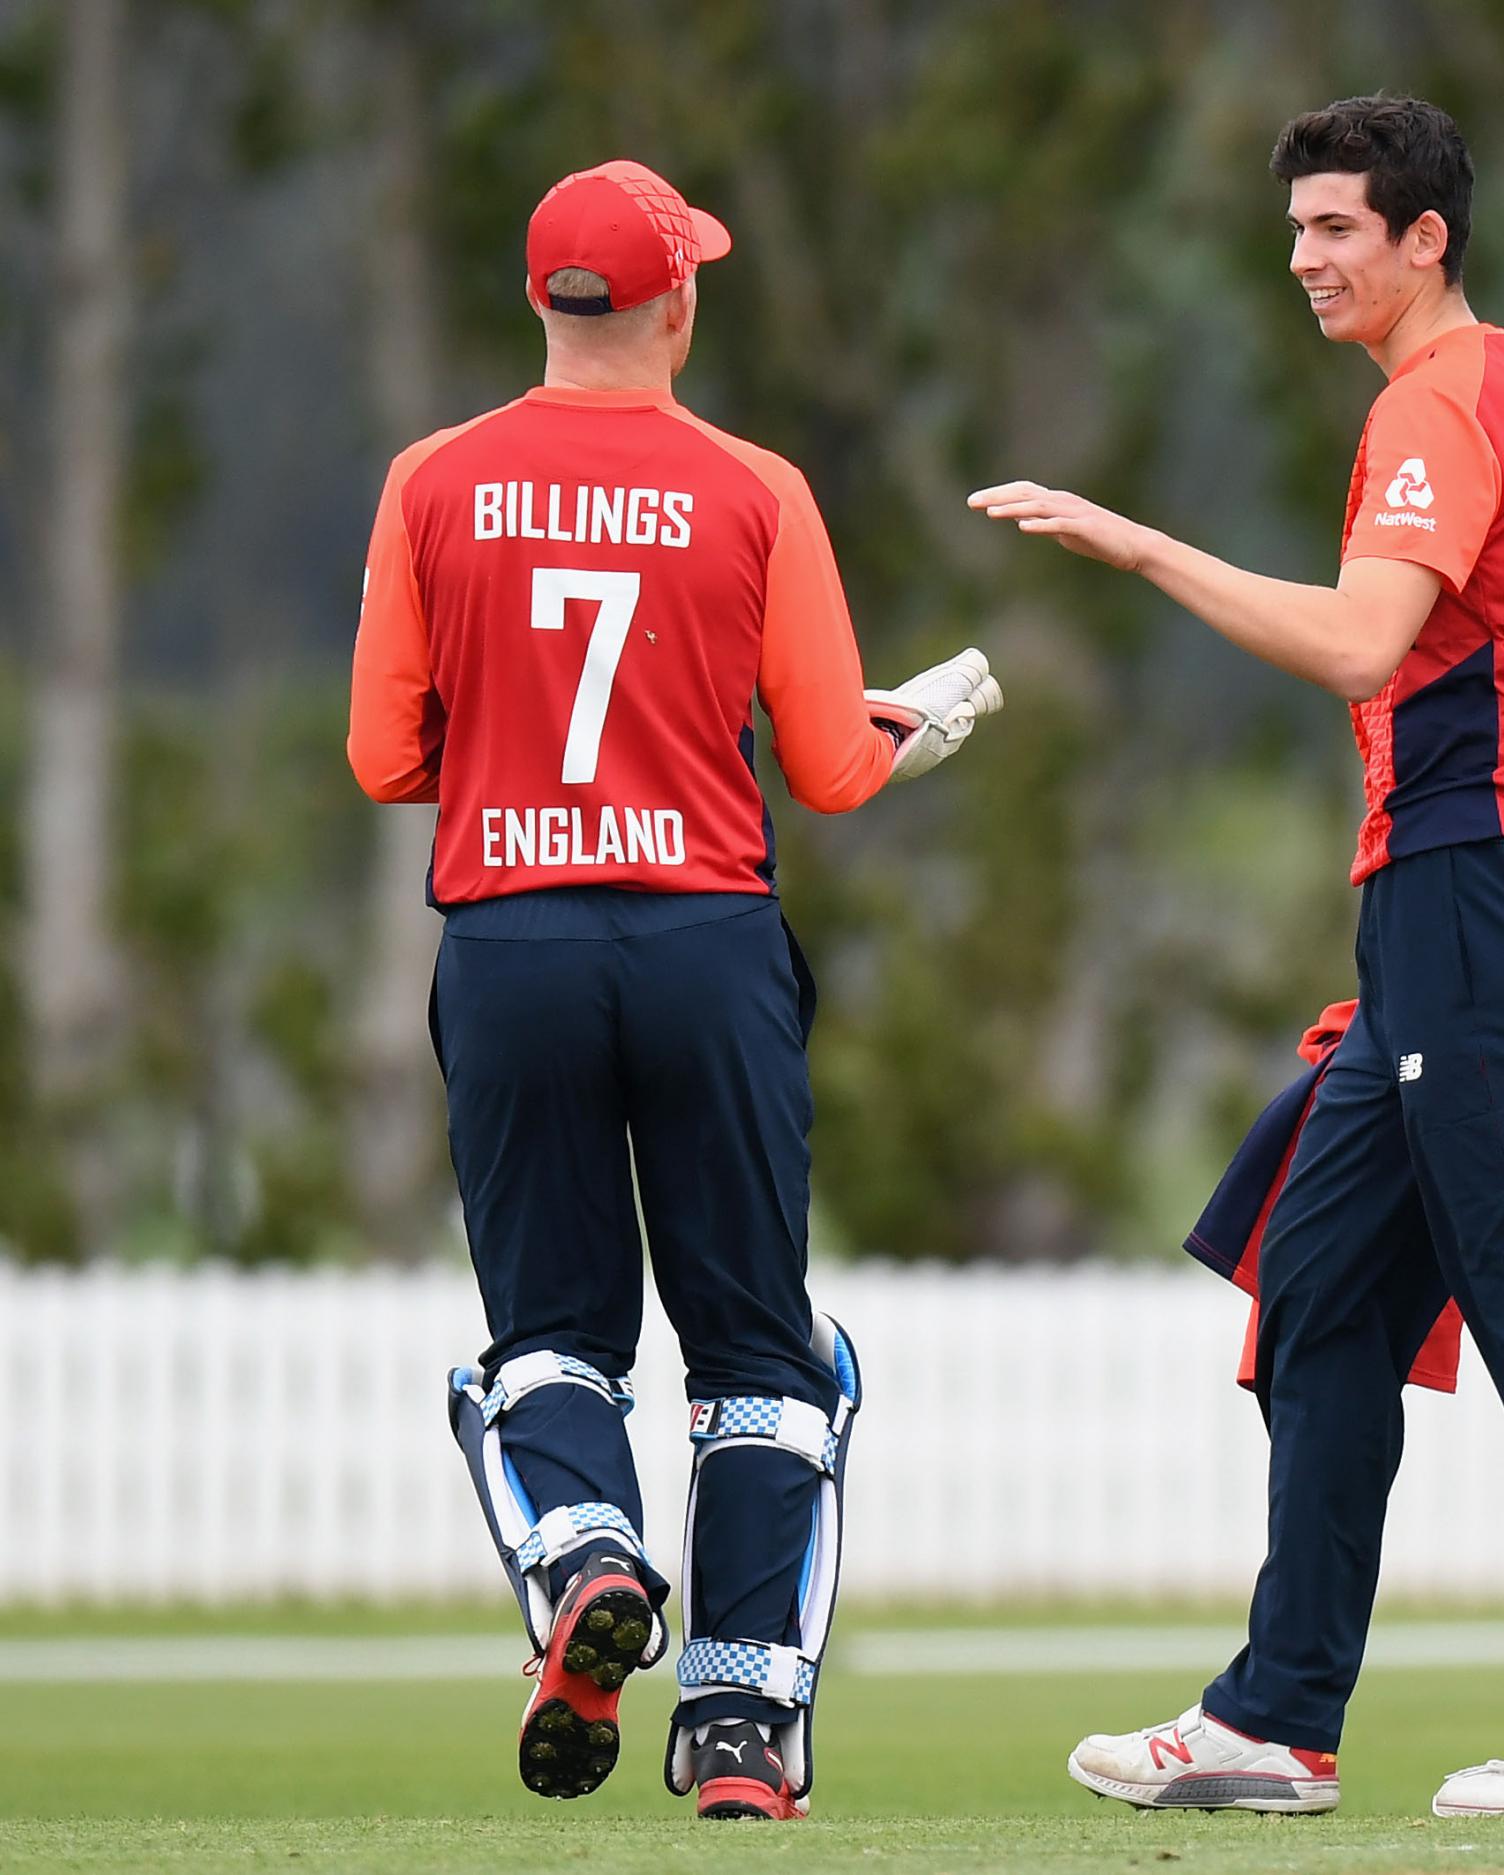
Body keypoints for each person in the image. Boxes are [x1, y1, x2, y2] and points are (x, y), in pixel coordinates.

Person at [971, 94, 1504, 1821]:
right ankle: (1275, 1719)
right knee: (1315, 1291)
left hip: (1478, 881)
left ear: (1424, 240)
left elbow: (1363, 646)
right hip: (1486, 887)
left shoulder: (1438, 405)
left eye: (1334, 230)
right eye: (1298, 226)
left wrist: (1137, 540)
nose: (1302, 256)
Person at [346, 158, 1001, 1821]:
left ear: (538, 300)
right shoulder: (755, 488)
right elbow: (837, 770)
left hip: (511, 938)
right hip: (706, 943)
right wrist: (917, 720)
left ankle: (585, 1558)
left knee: (549, 1339)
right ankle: (740, 1731)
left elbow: (379, 756)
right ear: (681, 299)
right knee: (765, 1357)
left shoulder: (433, 481)